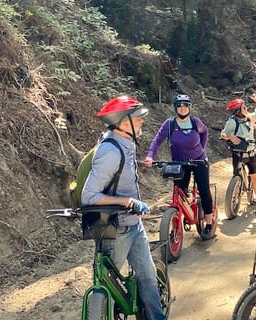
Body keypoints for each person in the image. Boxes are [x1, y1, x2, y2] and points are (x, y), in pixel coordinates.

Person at [81, 95, 166, 319]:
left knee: (148, 277)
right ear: (123, 123)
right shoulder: (110, 152)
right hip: (116, 230)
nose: (141, 122)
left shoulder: (125, 143)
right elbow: (88, 196)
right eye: (137, 119)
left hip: (133, 224)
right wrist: (126, 202)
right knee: (107, 286)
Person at [144, 94, 217, 240]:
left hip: (199, 161)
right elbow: (157, 140)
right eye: (179, 105)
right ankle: (180, 216)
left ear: (189, 107)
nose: (182, 108)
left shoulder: (195, 122)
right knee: (180, 191)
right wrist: (150, 156)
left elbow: (204, 132)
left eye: (185, 105)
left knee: (204, 190)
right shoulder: (169, 124)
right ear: (175, 108)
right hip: (179, 162)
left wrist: (201, 149)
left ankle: (209, 224)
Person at [221, 94, 256, 202]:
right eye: (244, 107)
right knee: (237, 176)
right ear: (238, 110)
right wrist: (230, 136)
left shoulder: (248, 118)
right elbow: (223, 134)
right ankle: (235, 198)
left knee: (255, 178)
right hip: (238, 154)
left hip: (251, 153)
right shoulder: (232, 121)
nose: (246, 108)